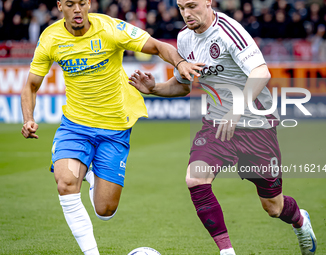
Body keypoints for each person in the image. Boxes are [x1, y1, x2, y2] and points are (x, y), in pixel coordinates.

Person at [128, 0, 317, 254]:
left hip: (256, 125)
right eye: (181, 7)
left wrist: (237, 108)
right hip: (217, 123)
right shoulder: (184, 38)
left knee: (273, 206)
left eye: (192, 6)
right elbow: (183, 85)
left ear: (208, 2)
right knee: (195, 179)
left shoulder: (229, 30)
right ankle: (227, 252)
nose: (186, 13)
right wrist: (154, 89)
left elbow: (261, 72)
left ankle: (300, 221)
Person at [20, 0, 203, 254]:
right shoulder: (50, 38)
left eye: (82, 3)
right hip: (76, 126)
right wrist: (28, 117)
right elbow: (31, 84)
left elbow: (158, 46)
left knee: (105, 211)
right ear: (59, 5)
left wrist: (180, 63)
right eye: (70, 4)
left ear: (89, 4)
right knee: (65, 183)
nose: (77, 10)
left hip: (115, 128)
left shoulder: (110, 29)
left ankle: (92, 175)